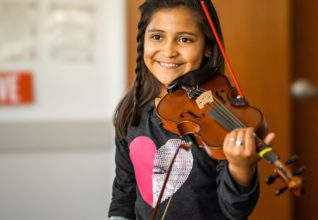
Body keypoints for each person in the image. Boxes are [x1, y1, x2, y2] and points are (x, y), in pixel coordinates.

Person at [108, 0, 275, 219]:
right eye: (157, 36)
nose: (168, 51)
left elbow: (234, 211)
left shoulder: (219, 120)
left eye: (184, 39)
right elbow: (124, 190)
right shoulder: (132, 113)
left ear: (207, 47)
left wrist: (241, 168)